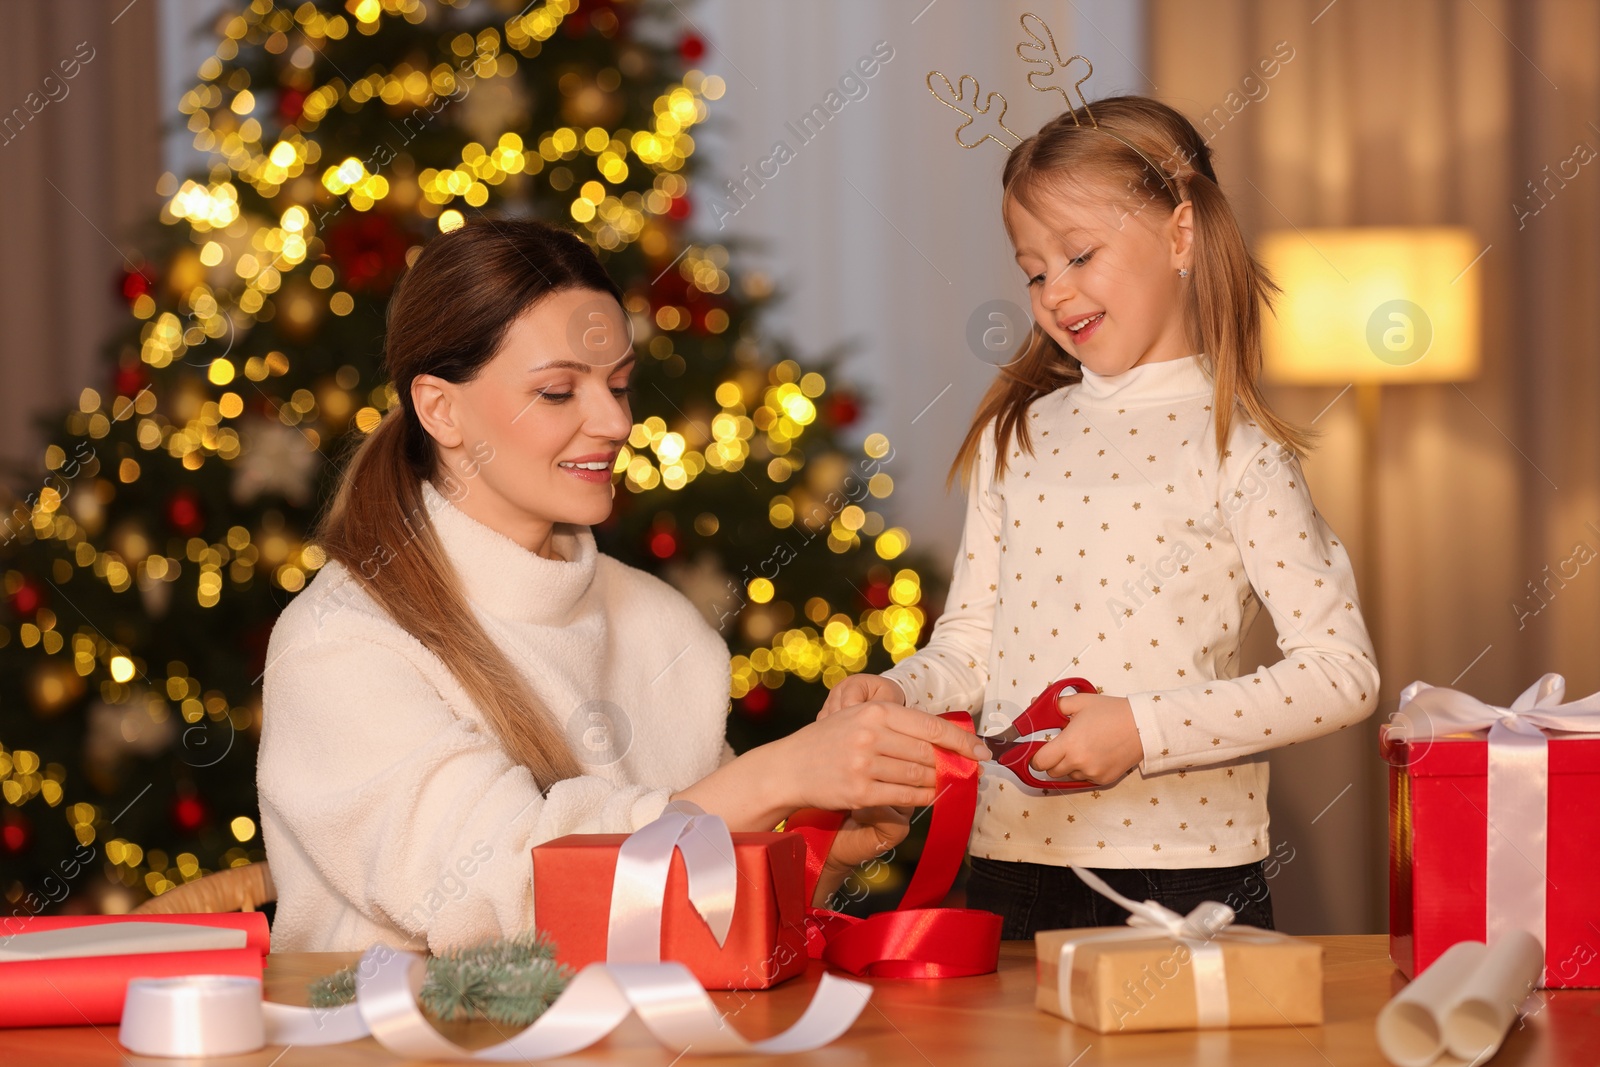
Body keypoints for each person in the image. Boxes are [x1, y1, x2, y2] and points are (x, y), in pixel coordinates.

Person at [256, 217, 990, 953]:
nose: (613, 421)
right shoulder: (338, 646)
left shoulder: (659, 621)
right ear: (441, 409)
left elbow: (699, 915)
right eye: (556, 392)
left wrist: (823, 848)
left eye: (618, 386)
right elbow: (508, 902)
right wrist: (777, 777)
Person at [821, 96, 1378, 937]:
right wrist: (895, 689)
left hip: (1188, 871)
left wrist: (1144, 729)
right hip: (1012, 862)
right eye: (1034, 270)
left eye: (1080, 255)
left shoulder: (1240, 449)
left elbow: (1342, 674)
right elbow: (972, 643)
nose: (1055, 292)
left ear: (1181, 236)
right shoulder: (1019, 434)